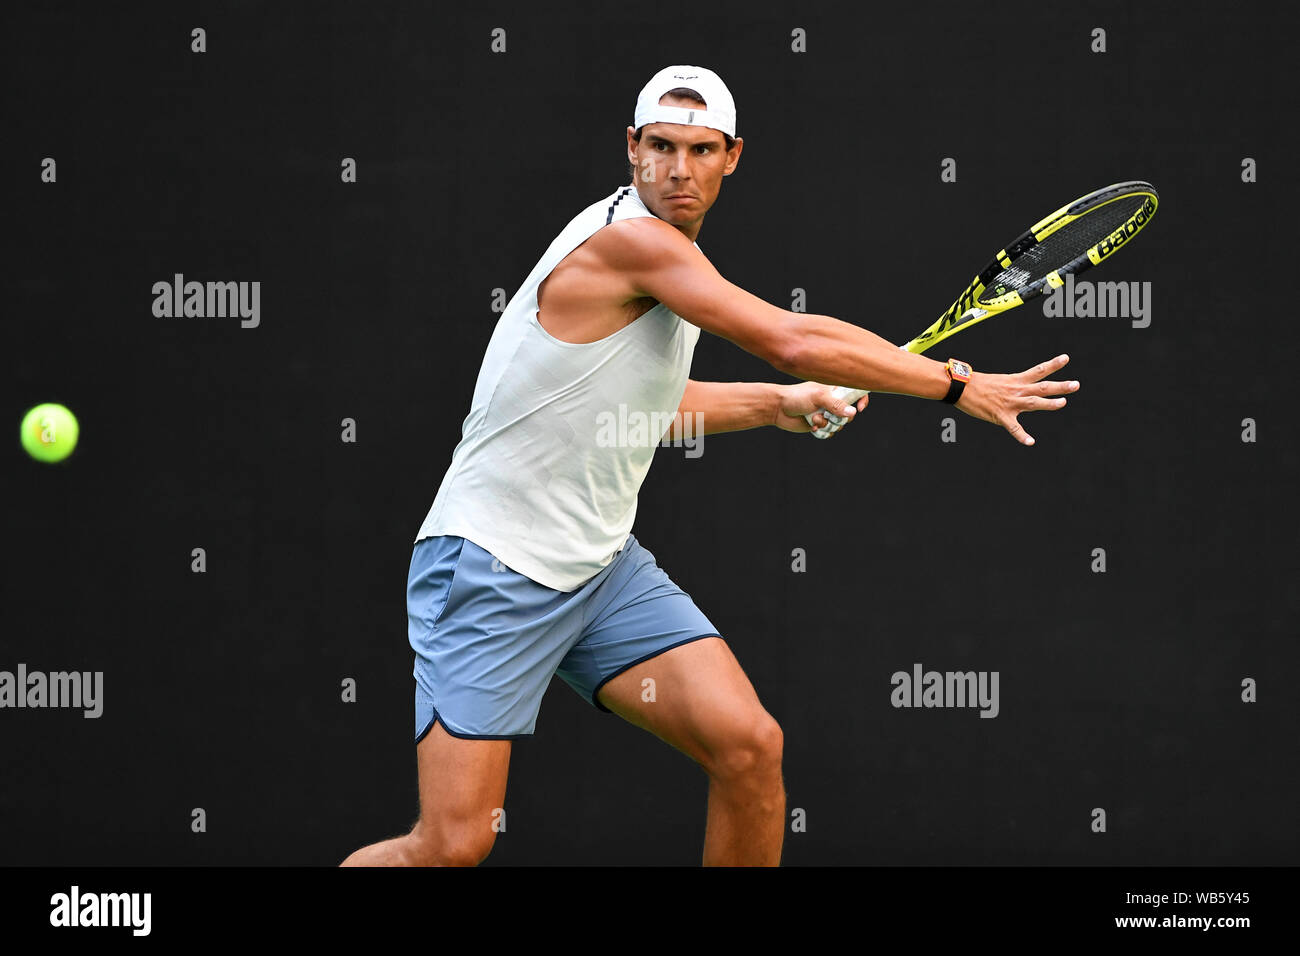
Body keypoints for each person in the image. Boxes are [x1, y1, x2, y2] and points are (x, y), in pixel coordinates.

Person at [341, 64, 1077, 867]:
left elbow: (640, 408)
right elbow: (793, 339)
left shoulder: (672, 258)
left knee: (749, 748)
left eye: (699, 150)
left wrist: (776, 405)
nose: (677, 170)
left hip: (598, 571)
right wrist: (951, 384)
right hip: (491, 566)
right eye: (659, 146)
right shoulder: (629, 244)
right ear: (631, 148)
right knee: (451, 846)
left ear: (731, 157)